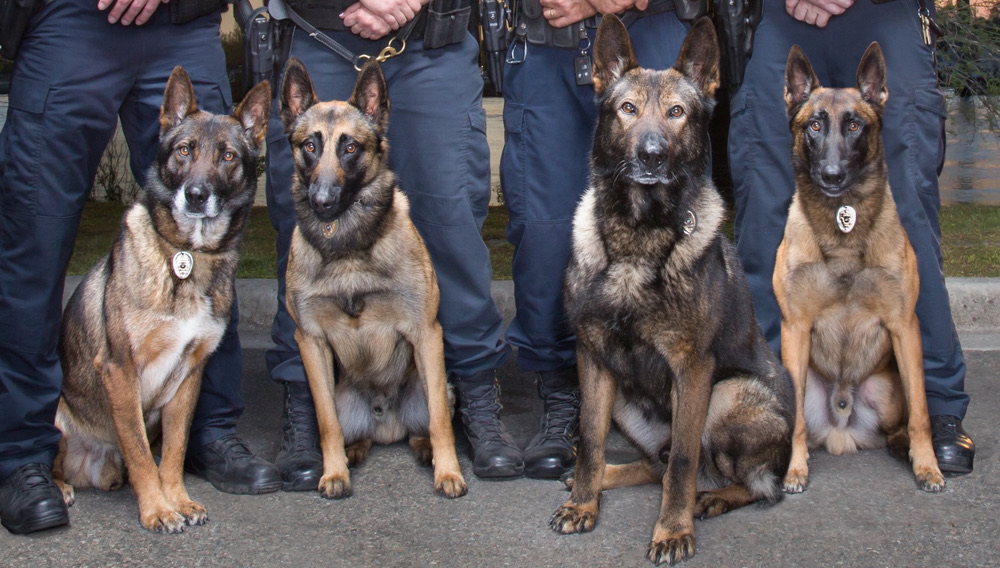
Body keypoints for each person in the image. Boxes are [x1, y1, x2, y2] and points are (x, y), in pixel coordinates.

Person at [0, 0, 281, 536]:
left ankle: (209, 432)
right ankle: (25, 454)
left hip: (183, 20)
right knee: (32, 244)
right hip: (69, 21)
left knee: (208, 237)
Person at [264, 0, 522, 484]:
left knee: (451, 223)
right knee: (301, 228)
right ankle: (305, 408)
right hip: (320, 31)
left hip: (431, 41)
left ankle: (475, 400)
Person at [727, 0, 975, 473]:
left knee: (909, 213)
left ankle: (938, 408)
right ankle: (760, 406)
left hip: (884, 14)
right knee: (764, 214)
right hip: (783, 15)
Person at [498, 0, 692, 477]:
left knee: (665, 223)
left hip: (653, 30)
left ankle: (667, 393)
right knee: (542, 229)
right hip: (547, 39)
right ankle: (563, 391)